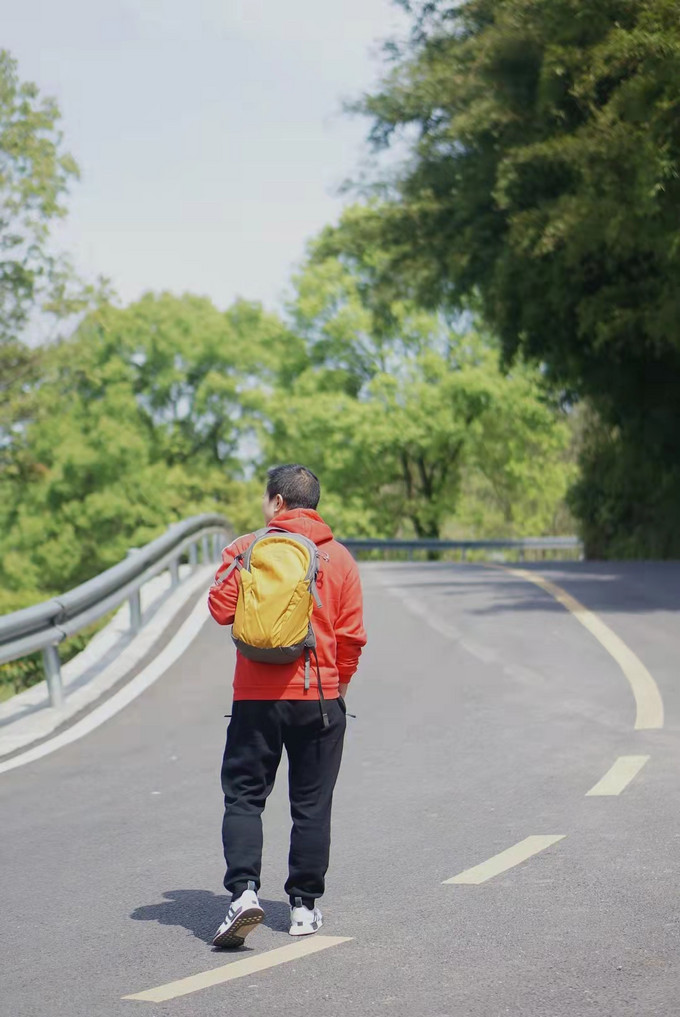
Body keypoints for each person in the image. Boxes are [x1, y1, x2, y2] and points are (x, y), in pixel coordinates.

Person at [207, 464, 367, 947]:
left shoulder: (245, 549)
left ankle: (243, 895)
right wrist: (337, 687)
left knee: (244, 797)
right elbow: (352, 638)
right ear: (313, 504)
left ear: (277, 502)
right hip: (318, 698)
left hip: (255, 699)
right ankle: (302, 909)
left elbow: (219, 609)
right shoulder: (338, 558)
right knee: (311, 805)